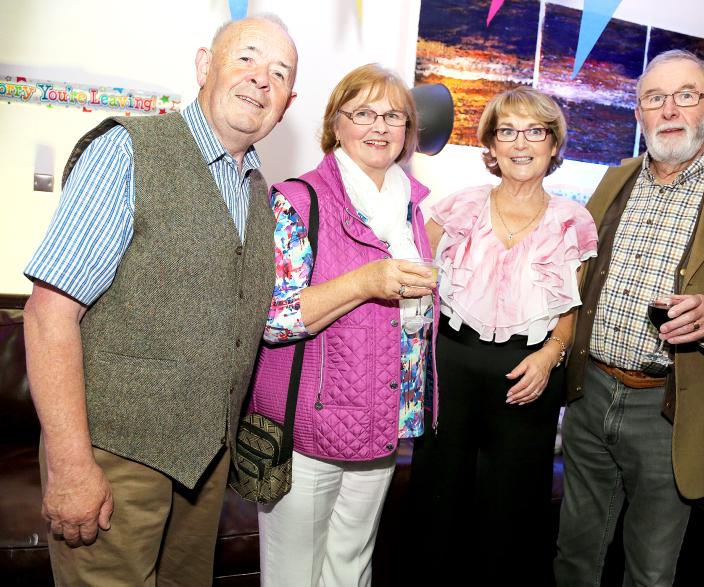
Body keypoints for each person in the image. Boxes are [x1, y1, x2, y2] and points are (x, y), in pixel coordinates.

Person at [22, 15, 297, 586]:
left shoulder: (258, 193)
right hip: (114, 458)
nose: (260, 80)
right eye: (246, 58)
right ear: (204, 66)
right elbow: (50, 315)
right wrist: (72, 465)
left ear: (287, 103)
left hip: (205, 467)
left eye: (279, 73)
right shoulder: (126, 150)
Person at [556, 49, 704, 586]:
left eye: (685, 95)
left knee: (649, 570)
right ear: (639, 113)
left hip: (672, 407)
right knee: (574, 556)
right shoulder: (615, 179)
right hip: (590, 391)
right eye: (654, 98)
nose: (669, 109)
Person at [249, 63, 438, 586]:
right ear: (336, 124)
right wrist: (366, 281)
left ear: (407, 132)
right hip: (313, 418)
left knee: (352, 568)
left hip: (383, 421)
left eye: (392, 116)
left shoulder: (409, 209)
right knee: (294, 575)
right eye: (363, 113)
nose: (379, 127)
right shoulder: (298, 200)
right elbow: (275, 317)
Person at [410, 86, 598, 586]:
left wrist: (550, 355)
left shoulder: (574, 222)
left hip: (530, 371)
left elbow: (572, 307)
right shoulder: (454, 208)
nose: (521, 143)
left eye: (534, 132)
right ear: (490, 146)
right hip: (451, 360)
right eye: (506, 132)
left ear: (553, 144)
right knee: (437, 497)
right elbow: (414, 284)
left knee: (513, 509)